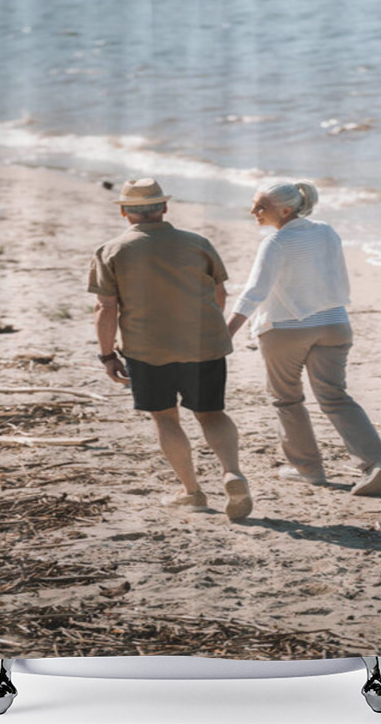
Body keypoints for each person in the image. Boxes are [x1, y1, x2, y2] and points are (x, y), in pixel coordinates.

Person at [88, 177, 252, 521]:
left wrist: (107, 355)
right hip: (203, 344)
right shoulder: (198, 243)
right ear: (164, 207)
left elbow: (106, 307)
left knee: (164, 415)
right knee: (211, 413)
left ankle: (192, 491)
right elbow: (219, 293)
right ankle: (232, 473)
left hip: (147, 349)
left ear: (123, 212)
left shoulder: (111, 251)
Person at [227, 179, 381, 496]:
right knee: (335, 397)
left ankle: (309, 469)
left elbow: (255, 292)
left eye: (261, 206)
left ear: (286, 210)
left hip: (286, 330)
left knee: (287, 400)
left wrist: (228, 331)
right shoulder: (327, 232)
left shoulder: (275, 243)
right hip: (335, 324)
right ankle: (376, 462)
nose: (253, 211)